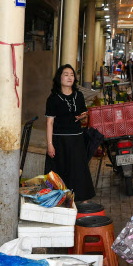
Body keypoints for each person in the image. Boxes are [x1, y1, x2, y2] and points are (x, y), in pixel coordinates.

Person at [45, 64, 96, 202]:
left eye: (72, 75)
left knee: (78, 170)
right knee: (60, 172)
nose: (69, 77)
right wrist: (50, 144)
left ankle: (82, 200)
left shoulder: (78, 95)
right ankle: (59, 200)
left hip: (76, 140)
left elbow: (83, 112)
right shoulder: (53, 98)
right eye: (66, 74)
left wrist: (83, 116)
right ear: (59, 77)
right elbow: (49, 123)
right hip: (59, 141)